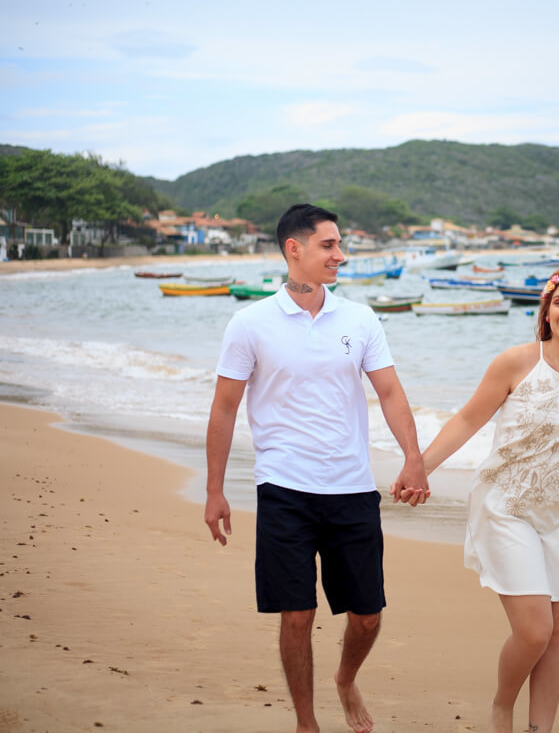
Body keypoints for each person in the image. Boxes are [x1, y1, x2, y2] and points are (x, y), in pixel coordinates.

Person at [204, 203, 429, 733]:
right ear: (294, 249)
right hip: (283, 487)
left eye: (340, 244)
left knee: (368, 614)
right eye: (329, 245)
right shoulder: (250, 323)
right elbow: (223, 409)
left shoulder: (360, 318)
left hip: (351, 486)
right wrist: (215, 490)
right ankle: (307, 724)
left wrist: (413, 458)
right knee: (296, 613)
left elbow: (391, 391)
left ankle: (346, 679)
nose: (340, 255)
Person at [396, 263, 559, 733]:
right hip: (507, 507)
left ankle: (541, 729)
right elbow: (466, 420)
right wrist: (419, 466)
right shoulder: (516, 362)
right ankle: (503, 707)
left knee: (558, 635)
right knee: (535, 629)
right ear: (545, 312)